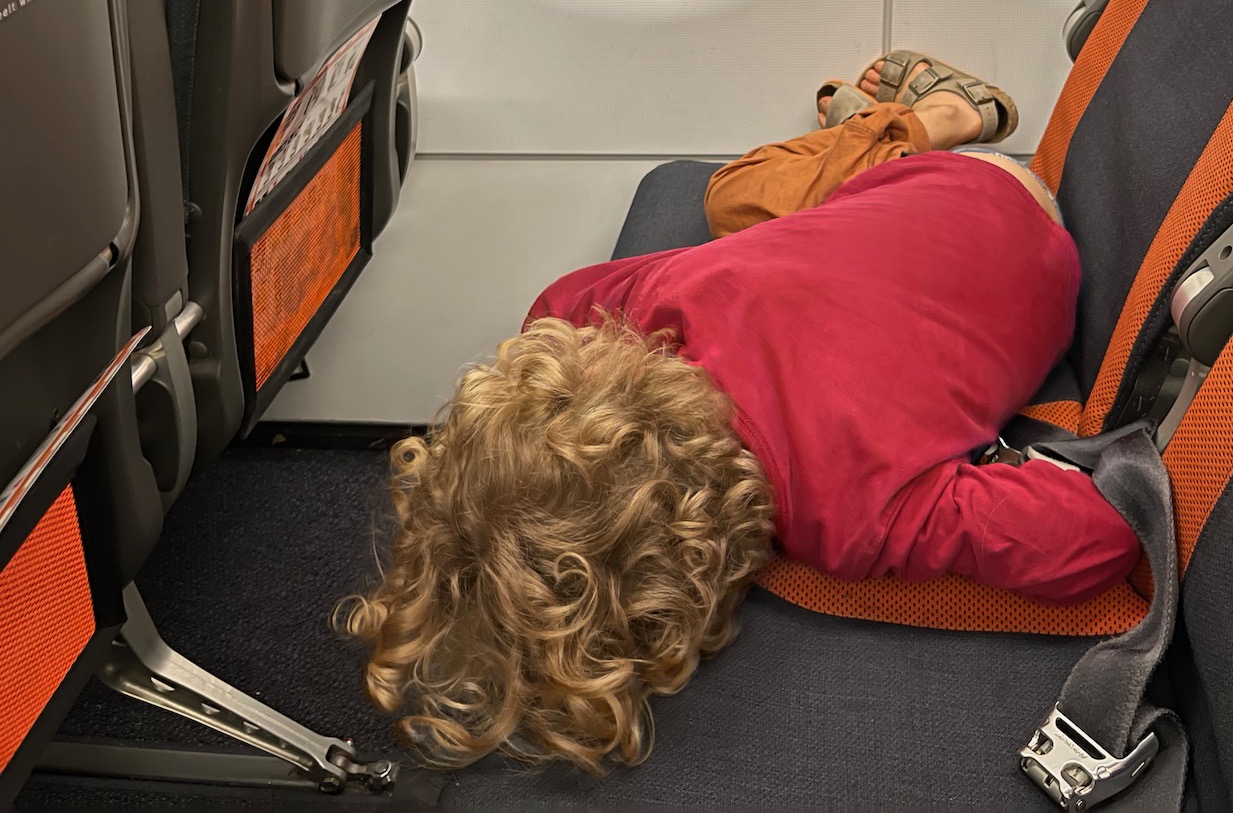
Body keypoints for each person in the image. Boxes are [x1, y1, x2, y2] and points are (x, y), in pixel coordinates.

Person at [340, 51, 1140, 773]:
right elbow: (558, 303)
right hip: (945, 197)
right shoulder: (658, 307)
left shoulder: (852, 512)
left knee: (749, 210)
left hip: (1033, 246)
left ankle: (926, 120)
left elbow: (1098, 536)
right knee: (738, 203)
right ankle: (893, 130)